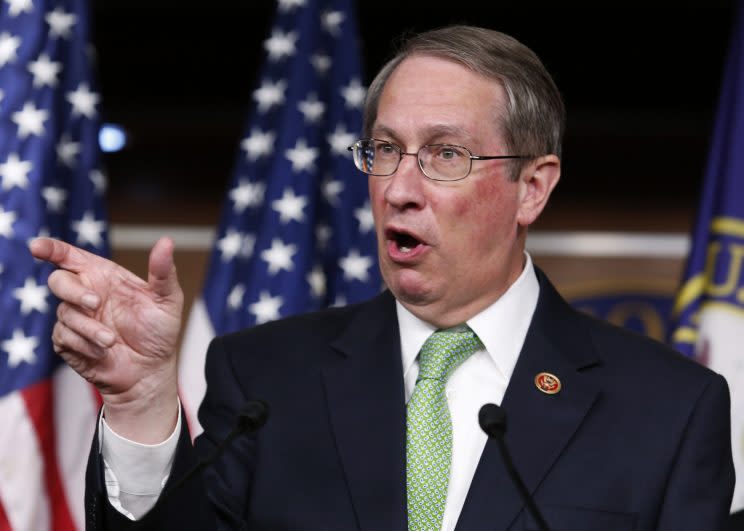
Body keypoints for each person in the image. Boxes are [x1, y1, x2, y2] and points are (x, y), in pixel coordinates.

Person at [30, 25, 734, 531]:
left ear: (532, 188)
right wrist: (144, 402)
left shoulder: (669, 411)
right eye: (386, 150)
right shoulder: (264, 379)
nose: (399, 187)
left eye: (445, 154)